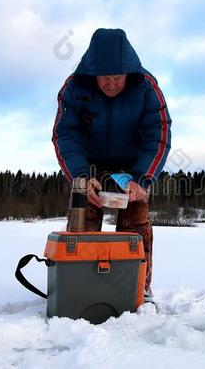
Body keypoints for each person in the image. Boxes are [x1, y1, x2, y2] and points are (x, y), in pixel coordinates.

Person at [52, 28, 172, 300]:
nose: (111, 83)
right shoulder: (74, 88)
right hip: (89, 168)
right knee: (81, 228)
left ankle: (139, 288)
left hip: (131, 170)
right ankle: (78, 287)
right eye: (104, 77)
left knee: (136, 226)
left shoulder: (146, 87)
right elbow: (65, 134)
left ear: (128, 72)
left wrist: (142, 180)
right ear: (93, 73)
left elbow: (159, 133)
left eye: (117, 77)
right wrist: (80, 177)